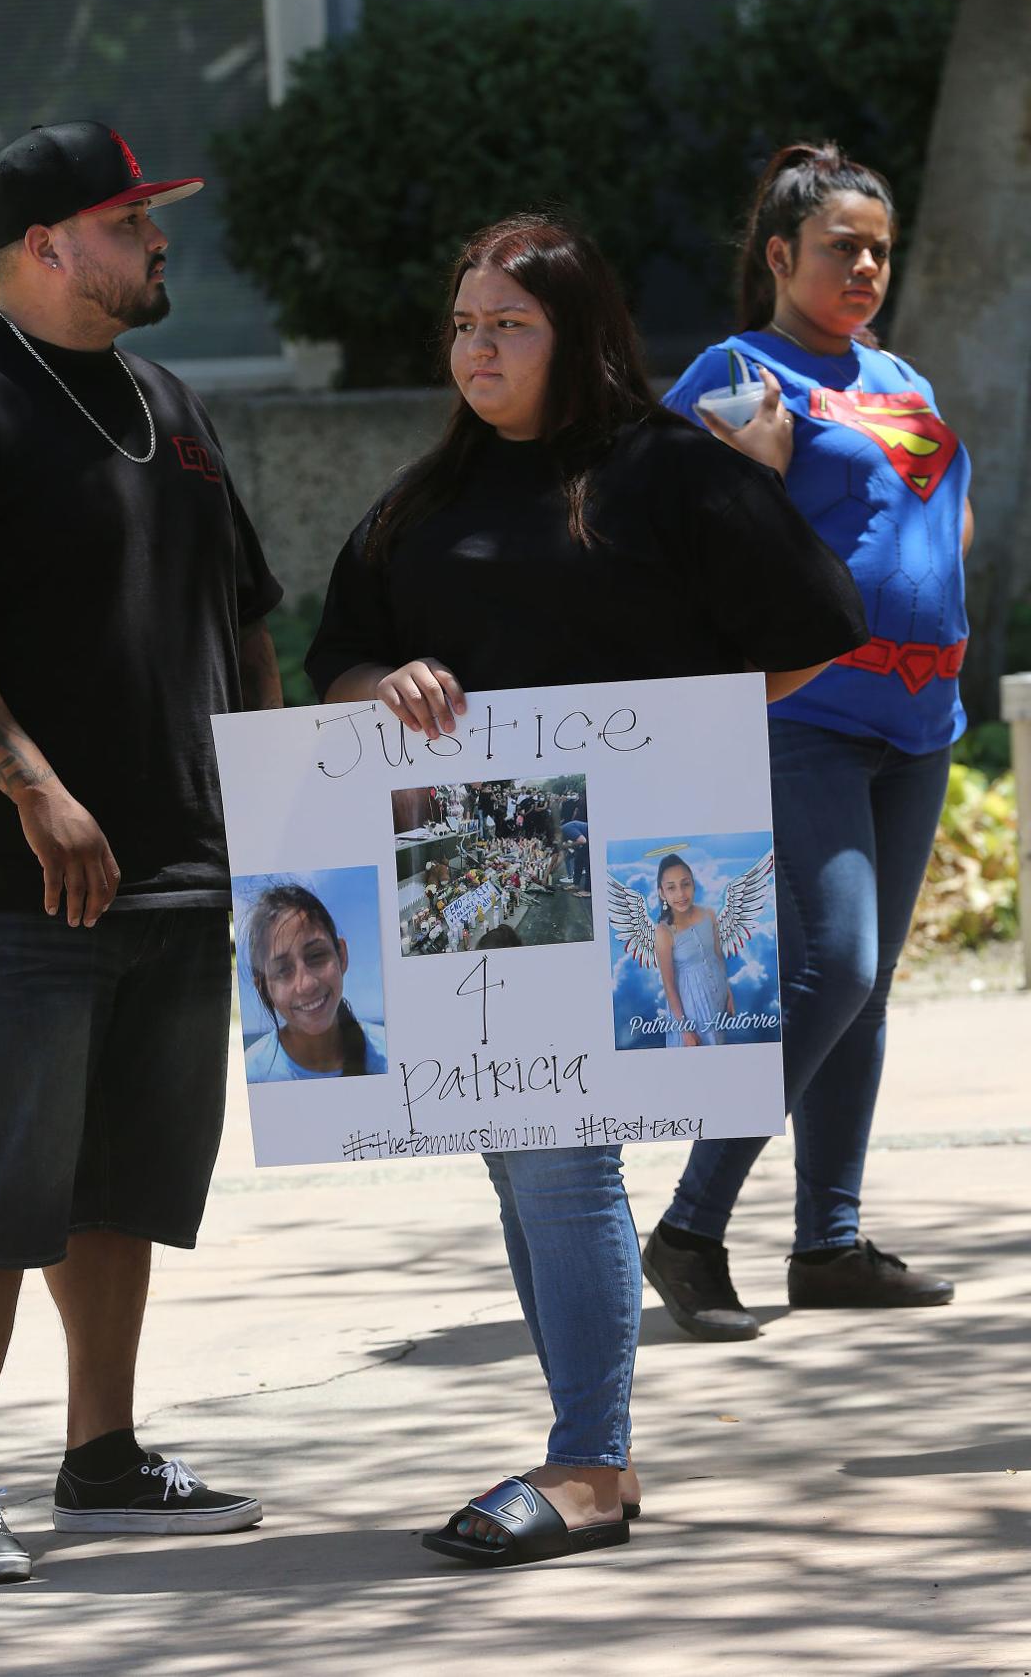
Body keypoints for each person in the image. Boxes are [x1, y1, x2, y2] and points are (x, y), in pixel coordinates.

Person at [305, 213, 867, 1566]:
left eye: (509, 324)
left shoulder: (670, 473)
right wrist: (389, 689)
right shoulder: (421, 502)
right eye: (463, 324)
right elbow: (335, 667)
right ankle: (583, 1450)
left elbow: (813, 629)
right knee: (518, 1160)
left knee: (562, 1163)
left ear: (578, 334)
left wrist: (679, 738)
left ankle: (590, 1465)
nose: (477, 347)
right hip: (474, 862)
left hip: (620, 855)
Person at [0, 121, 283, 1584]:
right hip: (3, 876)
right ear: (48, 244)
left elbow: (248, 619)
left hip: (177, 867)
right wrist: (33, 787)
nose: (160, 241)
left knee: (126, 1183)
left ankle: (101, 1457)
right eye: (131, 219)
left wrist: (274, 804)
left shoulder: (169, 402)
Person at [645, 142, 968, 1343]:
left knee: (864, 987)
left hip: (920, 724)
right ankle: (689, 1225)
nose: (867, 265)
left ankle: (828, 1243)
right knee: (828, 967)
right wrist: (758, 482)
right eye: (842, 246)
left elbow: (934, 508)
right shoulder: (737, 370)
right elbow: (656, 525)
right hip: (805, 717)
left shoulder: (903, 377)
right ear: (780, 257)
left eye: (880, 246)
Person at [241, 882, 387, 1081]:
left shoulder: (390, 1053)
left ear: (341, 956)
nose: (307, 984)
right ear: (264, 989)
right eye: (283, 970)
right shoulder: (254, 1073)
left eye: (316, 956)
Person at [653, 855, 732, 1048]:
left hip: (717, 997)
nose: (681, 893)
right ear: (662, 893)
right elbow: (669, 986)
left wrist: (729, 993)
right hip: (690, 1008)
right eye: (671, 887)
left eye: (685, 884)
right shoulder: (664, 932)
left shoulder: (709, 914)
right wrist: (685, 1029)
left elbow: (718, 956)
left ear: (693, 885)